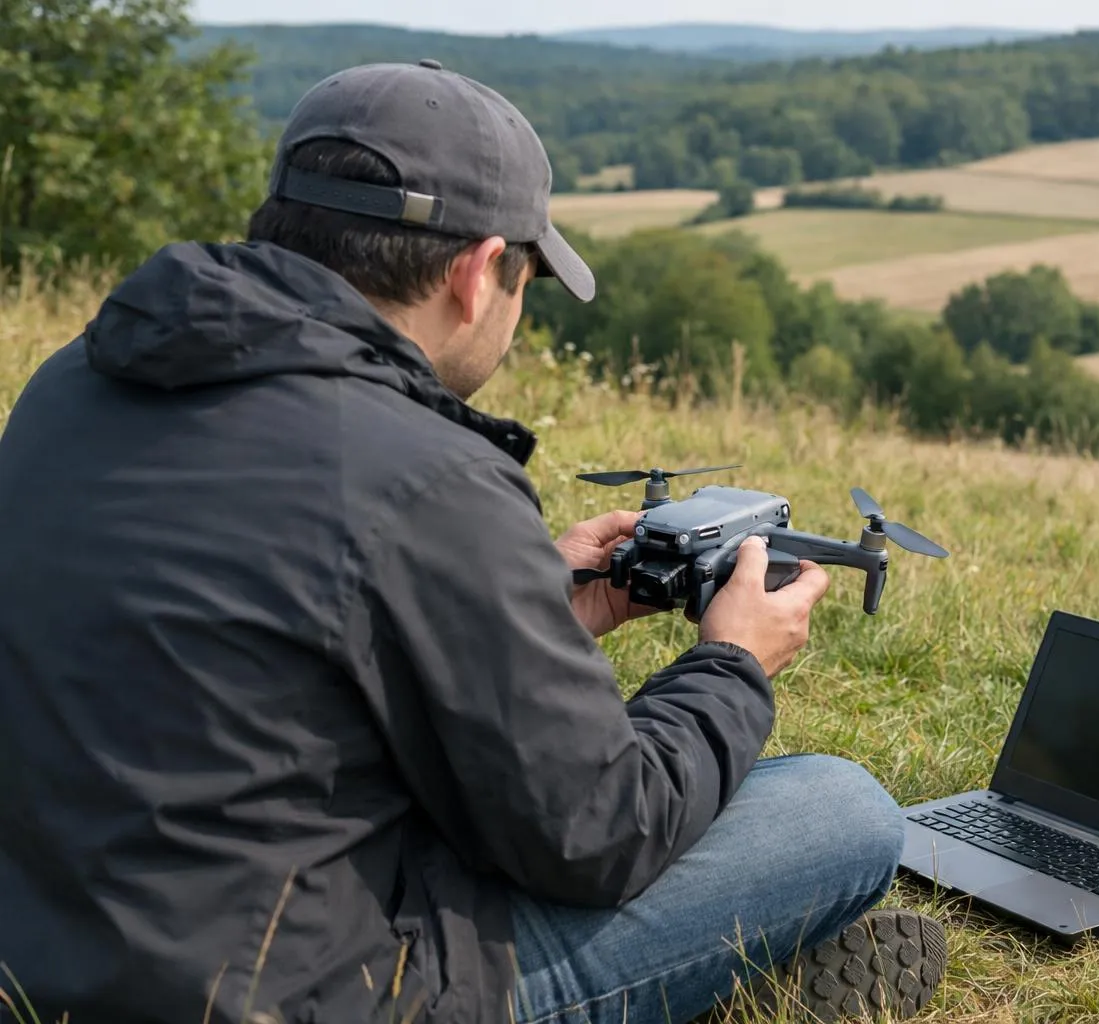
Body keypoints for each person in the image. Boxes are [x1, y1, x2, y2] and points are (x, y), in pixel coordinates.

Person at [0, 60, 948, 1024]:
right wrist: (732, 665)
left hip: (41, 954)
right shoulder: (424, 472)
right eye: (525, 281)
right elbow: (600, 834)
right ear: (474, 272)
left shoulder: (74, 380)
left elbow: (266, 652)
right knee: (841, 810)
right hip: (301, 994)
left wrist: (526, 598)